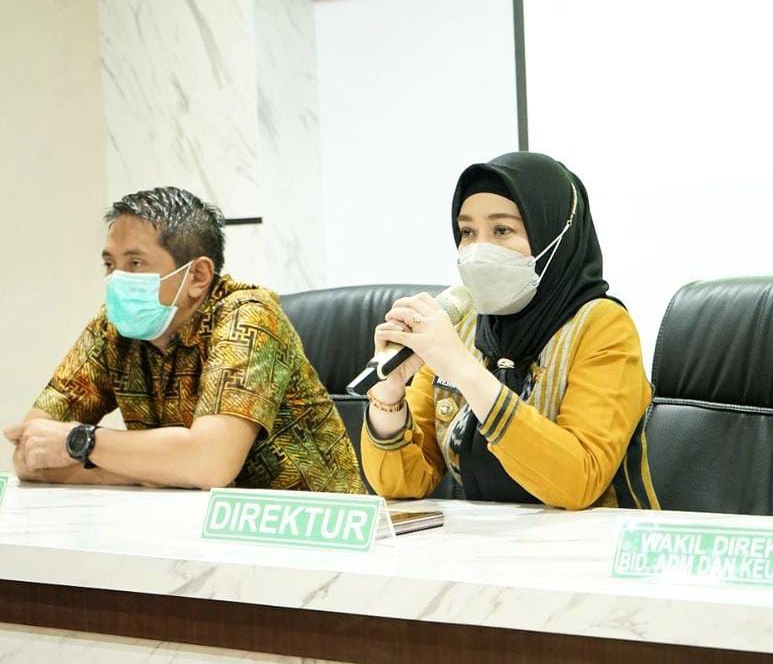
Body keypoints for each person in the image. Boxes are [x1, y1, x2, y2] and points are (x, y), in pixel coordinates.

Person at [3, 187, 364, 493]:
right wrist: (161, 469)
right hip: (187, 531)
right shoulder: (111, 330)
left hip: (313, 534)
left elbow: (209, 464)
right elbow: (29, 454)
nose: (117, 280)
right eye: (110, 264)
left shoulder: (249, 316)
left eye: (135, 264)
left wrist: (82, 442)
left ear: (198, 276)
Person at [360, 152, 658, 510]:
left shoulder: (603, 326)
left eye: (502, 230)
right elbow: (403, 486)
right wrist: (388, 396)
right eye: (467, 232)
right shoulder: (461, 323)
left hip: (598, 539)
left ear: (554, 234)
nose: (479, 249)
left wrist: (465, 371)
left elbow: (579, 481)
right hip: (490, 542)